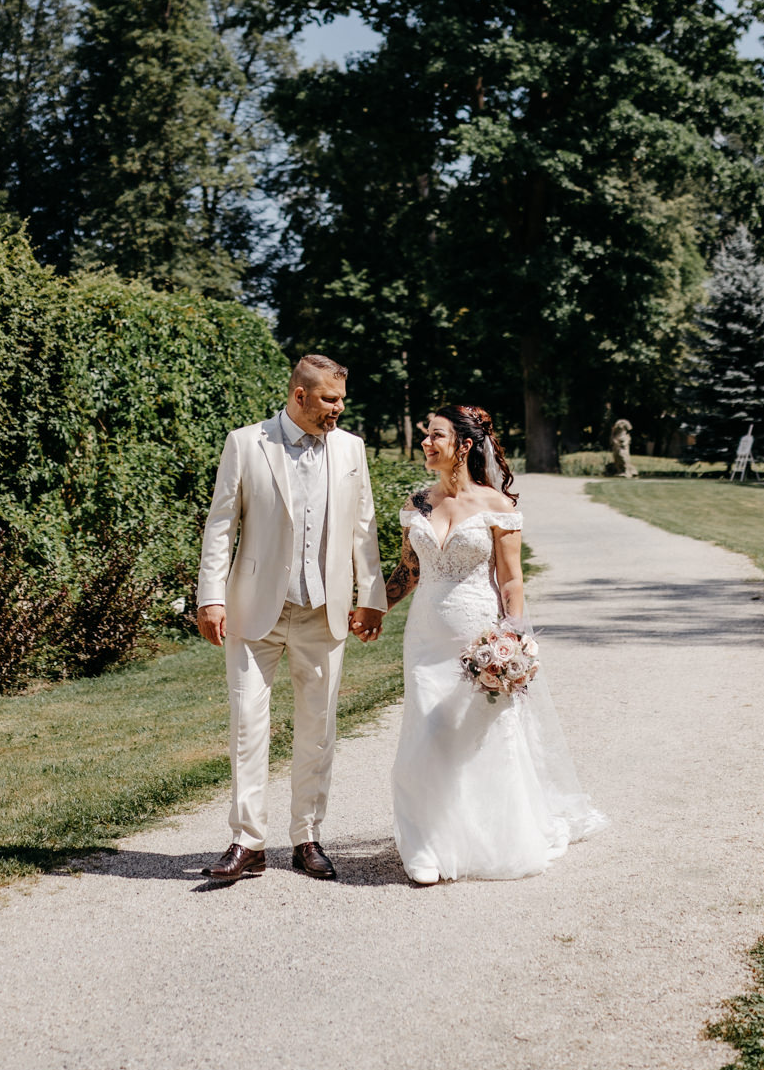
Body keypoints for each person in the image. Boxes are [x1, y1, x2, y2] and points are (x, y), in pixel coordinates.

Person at [381, 406, 607, 883]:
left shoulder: (497, 507)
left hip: (478, 637)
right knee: (426, 730)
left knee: (480, 736)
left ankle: (490, 835)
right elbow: (409, 572)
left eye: (435, 435)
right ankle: (427, 846)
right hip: (423, 639)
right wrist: (370, 609)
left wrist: (513, 638)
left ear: (463, 445)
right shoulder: (417, 501)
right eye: (426, 435)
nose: (425, 442)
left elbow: (511, 580)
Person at [194, 355, 387, 882]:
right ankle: (247, 843)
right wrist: (210, 596)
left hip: (323, 613)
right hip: (254, 610)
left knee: (319, 729)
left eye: (341, 399)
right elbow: (220, 525)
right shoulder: (245, 442)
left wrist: (372, 595)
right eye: (329, 399)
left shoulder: (351, 449)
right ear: (299, 396)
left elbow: (363, 527)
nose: (338, 408)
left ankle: (307, 836)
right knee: (247, 727)